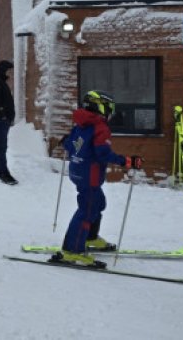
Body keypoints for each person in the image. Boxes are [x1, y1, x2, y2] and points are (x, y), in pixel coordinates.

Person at [54, 90, 142, 268]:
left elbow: (72, 144)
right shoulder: (99, 127)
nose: (110, 113)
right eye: (110, 108)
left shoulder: (81, 123)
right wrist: (127, 161)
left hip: (78, 172)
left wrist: (65, 141)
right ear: (101, 107)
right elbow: (102, 154)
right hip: (90, 176)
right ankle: (72, 251)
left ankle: (90, 237)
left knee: (98, 203)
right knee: (86, 211)